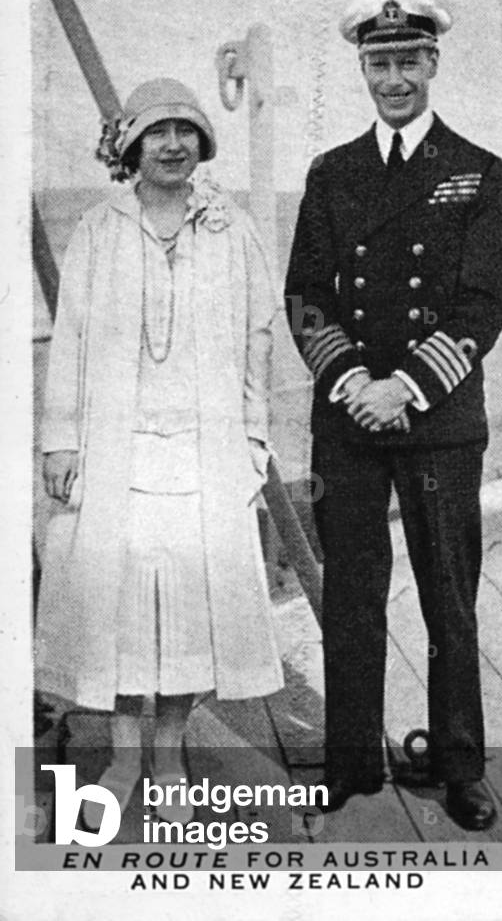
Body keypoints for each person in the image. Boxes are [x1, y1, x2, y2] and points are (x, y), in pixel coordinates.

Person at [285, 0, 502, 830]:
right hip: (348, 419)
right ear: (362, 70)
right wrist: (352, 381)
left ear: (431, 65)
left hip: (438, 418)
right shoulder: (331, 172)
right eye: (378, 63)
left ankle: (458, 766)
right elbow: (306, 295)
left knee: (448, 594)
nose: (393, 77)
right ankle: (350, 765)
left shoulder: (477, 171)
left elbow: (482, 304)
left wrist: (403, 386)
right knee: (351, 591)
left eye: (406, 61)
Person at [36, 78, 283, 828]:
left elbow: (256, 337)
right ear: (133, 146)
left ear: (202, 144)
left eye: (186, 130)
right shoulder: (99, 229)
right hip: (117, 452)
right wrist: (60, 440)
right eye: (156, 132)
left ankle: (169, 752)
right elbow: (72, 338)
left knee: (187, 610)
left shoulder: (229, 227)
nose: (172, 144)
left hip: (204, 456)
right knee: (112, 603)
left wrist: (251, 436)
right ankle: (119, 755)